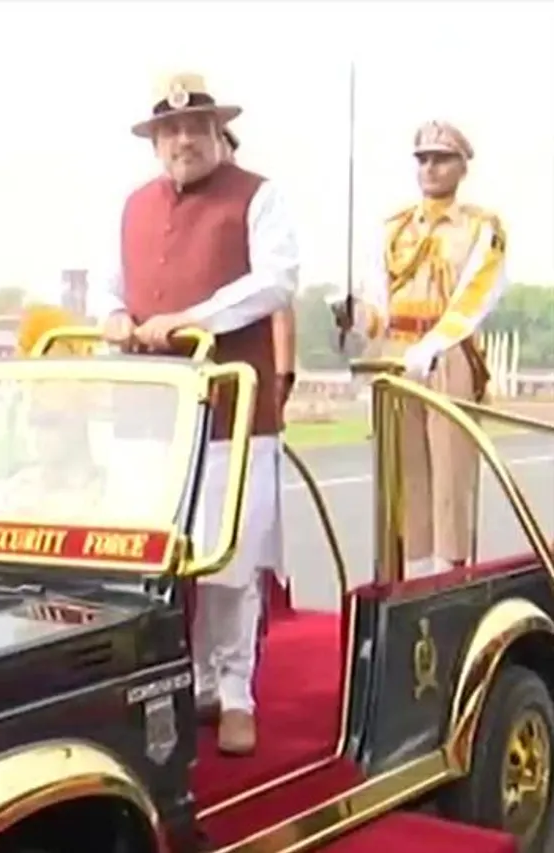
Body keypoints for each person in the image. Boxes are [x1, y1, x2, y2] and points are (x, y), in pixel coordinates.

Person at [101, 72, 300, 755]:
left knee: (229, 558)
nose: (183, 140)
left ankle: (233, 687)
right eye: (170, 131)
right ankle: (169, 682)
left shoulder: (256, 195)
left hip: (228, 412)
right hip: (149, 415)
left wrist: (193, 318)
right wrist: (116, 316)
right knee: (149, 558)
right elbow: (109, 286)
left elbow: (277, 279)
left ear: (219, 132)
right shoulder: (132, 206)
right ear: (155, 142)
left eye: (196, 127)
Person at [331, 121, 508, 578]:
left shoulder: (481, 228)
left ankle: (449, 574)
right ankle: (414, 570)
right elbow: (379, 305)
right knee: (405, 471)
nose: (430, 168)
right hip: (397, 351)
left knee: (451, 470)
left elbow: (475, 298)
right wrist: (356, 315)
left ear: (462, 167)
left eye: (441, 159)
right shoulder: (394, 229)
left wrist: (431, 346)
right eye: (423, 159)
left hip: (448, 352)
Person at [221, 128, 295, 631]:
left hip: (249, 392)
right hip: (190, 405)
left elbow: (279, 304)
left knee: (247, 536)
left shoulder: (253, 202)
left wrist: (283, 372)